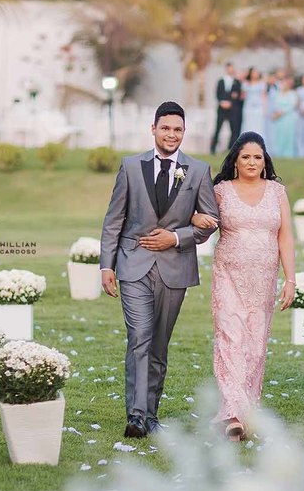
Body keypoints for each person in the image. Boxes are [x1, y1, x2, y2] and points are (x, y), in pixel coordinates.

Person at [100, 102, 220, 439]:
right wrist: (106, 266)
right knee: (140, 336)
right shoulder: (130, 166)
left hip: (174, 268)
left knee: (159, 344)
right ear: (153, 129)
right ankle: (137, 416)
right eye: (165, 128)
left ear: (184, 133)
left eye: (178, 129)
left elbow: (211, 222)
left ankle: (150, 414)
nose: (171, 134)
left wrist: (176, 236)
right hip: (133, 264)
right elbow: (113, 221)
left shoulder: (197, 171)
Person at [191, 132, 294, 440]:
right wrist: (196, 217)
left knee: (256, 345)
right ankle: (232, 414)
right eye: (246, 157)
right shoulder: (221, 190)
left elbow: (285, 236)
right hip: (228, 275)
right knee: (230, 338)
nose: (252, 162)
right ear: (235, 161)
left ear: (265, 162)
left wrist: (290, 279)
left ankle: (245, 410)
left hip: (263, 279)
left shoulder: (277, 192)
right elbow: (200, 216)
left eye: (257, 157)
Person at [211, 63, 243, 154]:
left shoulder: (237, 82)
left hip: (232, 110)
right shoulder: (220, 81)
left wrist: (231, 102)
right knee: (218, 128)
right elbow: (217, 93)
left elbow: (238, 95)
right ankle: (213, 148)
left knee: (233, 129)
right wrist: (222, 102)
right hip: (221, 109)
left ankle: (231, 149)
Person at [269, 72, 298, 159]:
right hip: (279, 119)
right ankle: (278, 152)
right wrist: (275, 113)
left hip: (289, 117)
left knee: (288, 135)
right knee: (279, 135)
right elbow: (274, 105)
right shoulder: (277, 94)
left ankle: (288, 153)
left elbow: (292, 105)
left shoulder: (292, 94)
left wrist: (281, 112)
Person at [241, 68, 267, 137]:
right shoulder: (245, 84)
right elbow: (243, 96)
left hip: (259, 108)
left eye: (257, 72)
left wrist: (265, 108)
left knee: (259, 126)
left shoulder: (262, 83)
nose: (256, 74)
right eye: (254, 72)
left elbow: (263, 96)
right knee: (248, 125)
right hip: (248, 107)